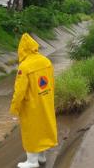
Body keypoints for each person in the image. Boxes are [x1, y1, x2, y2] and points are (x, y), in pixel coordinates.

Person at [10, 33, 58, 168]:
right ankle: (42, 157)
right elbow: (52, 83)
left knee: (31, 131)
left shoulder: (24, 67)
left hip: (31, 106)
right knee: (43, 128)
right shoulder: (46, 61)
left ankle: (32, 161)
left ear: (22, 49)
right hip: (46, 101)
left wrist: (15, 108)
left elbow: (19, 91)